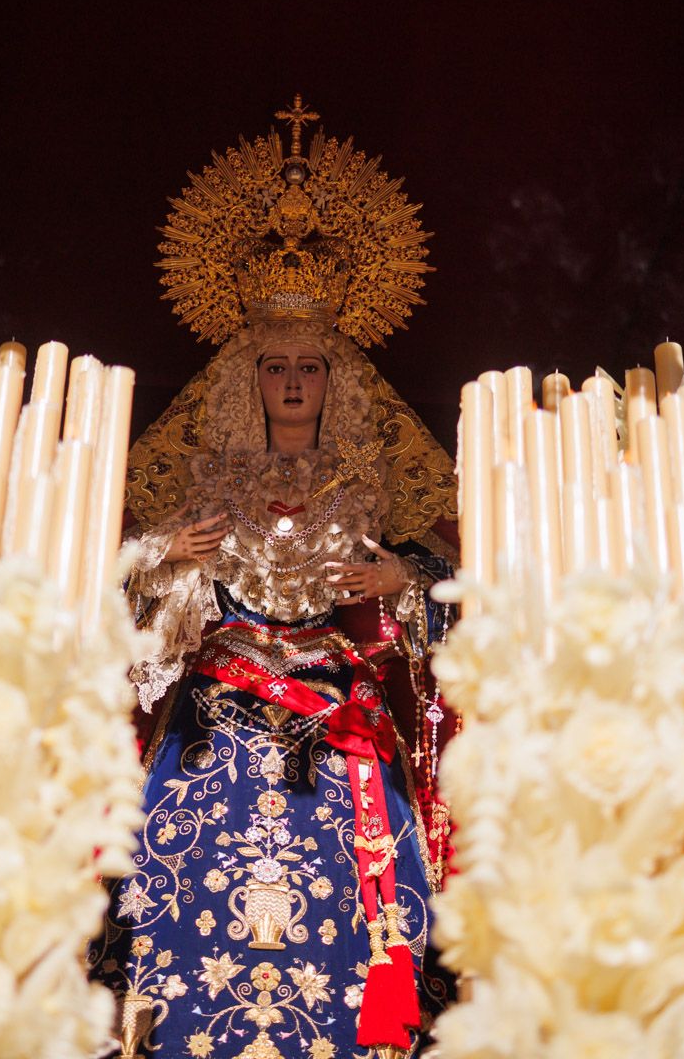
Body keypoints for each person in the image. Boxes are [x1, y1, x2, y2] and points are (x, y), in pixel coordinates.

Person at [91, 102, 459, 1059]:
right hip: (216, 727)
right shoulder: (198, 494)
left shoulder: (376, 498)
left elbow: (446, 604)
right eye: (274, 367)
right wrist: (164, 560)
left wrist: (395, 581)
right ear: (246, 379)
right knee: (173, 902)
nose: (293, 383)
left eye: (309, 367)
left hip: (337, 736)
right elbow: (127, 623)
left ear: (335, 379)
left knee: (354, 922)